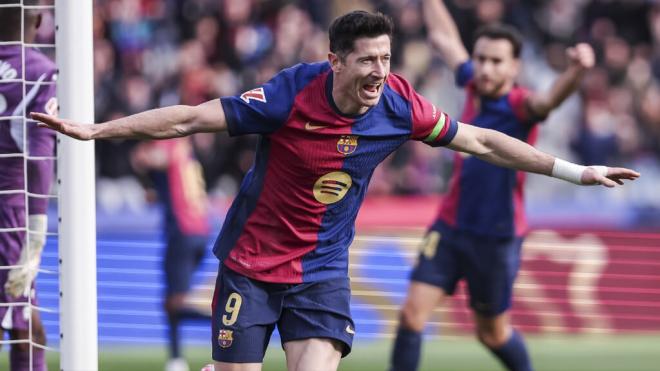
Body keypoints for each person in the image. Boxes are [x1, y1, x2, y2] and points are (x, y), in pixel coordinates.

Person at [31, 10, 639, 371]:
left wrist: (576, 172)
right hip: (250, 264)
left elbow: (482, 142)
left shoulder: (401, 103)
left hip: (321, 271)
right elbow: (190, 117)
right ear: (335, 62)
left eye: (387, 58)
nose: (381, 71)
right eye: (368, 61)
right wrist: (96, 129)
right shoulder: (289, 94)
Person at [389, 1, 598, 371]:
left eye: (496, 62)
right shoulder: (471, 82)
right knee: (412, 315)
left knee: (492, 334)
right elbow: (443, 36)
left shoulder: (519, 106)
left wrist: (577, 71)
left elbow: (549, 100)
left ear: (515, 67)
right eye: (481, 58)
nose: (485, 68)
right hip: (450, 227)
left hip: (497, 238)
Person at [0, 7, 57, 371]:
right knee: (22, 323)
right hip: (11, 211)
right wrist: (36, 230)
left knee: (28, 325)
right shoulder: (39, 70)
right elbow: (38, 157)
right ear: (36, 20)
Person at [130, 137, 211, 371]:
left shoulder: (172, 146)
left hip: (182, 231)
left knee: (174, 303)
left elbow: (141, 159)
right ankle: (176, 360)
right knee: (171, 300)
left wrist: (140, 150)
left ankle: (222, 318)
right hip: (199, 231)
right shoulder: (189, 154)